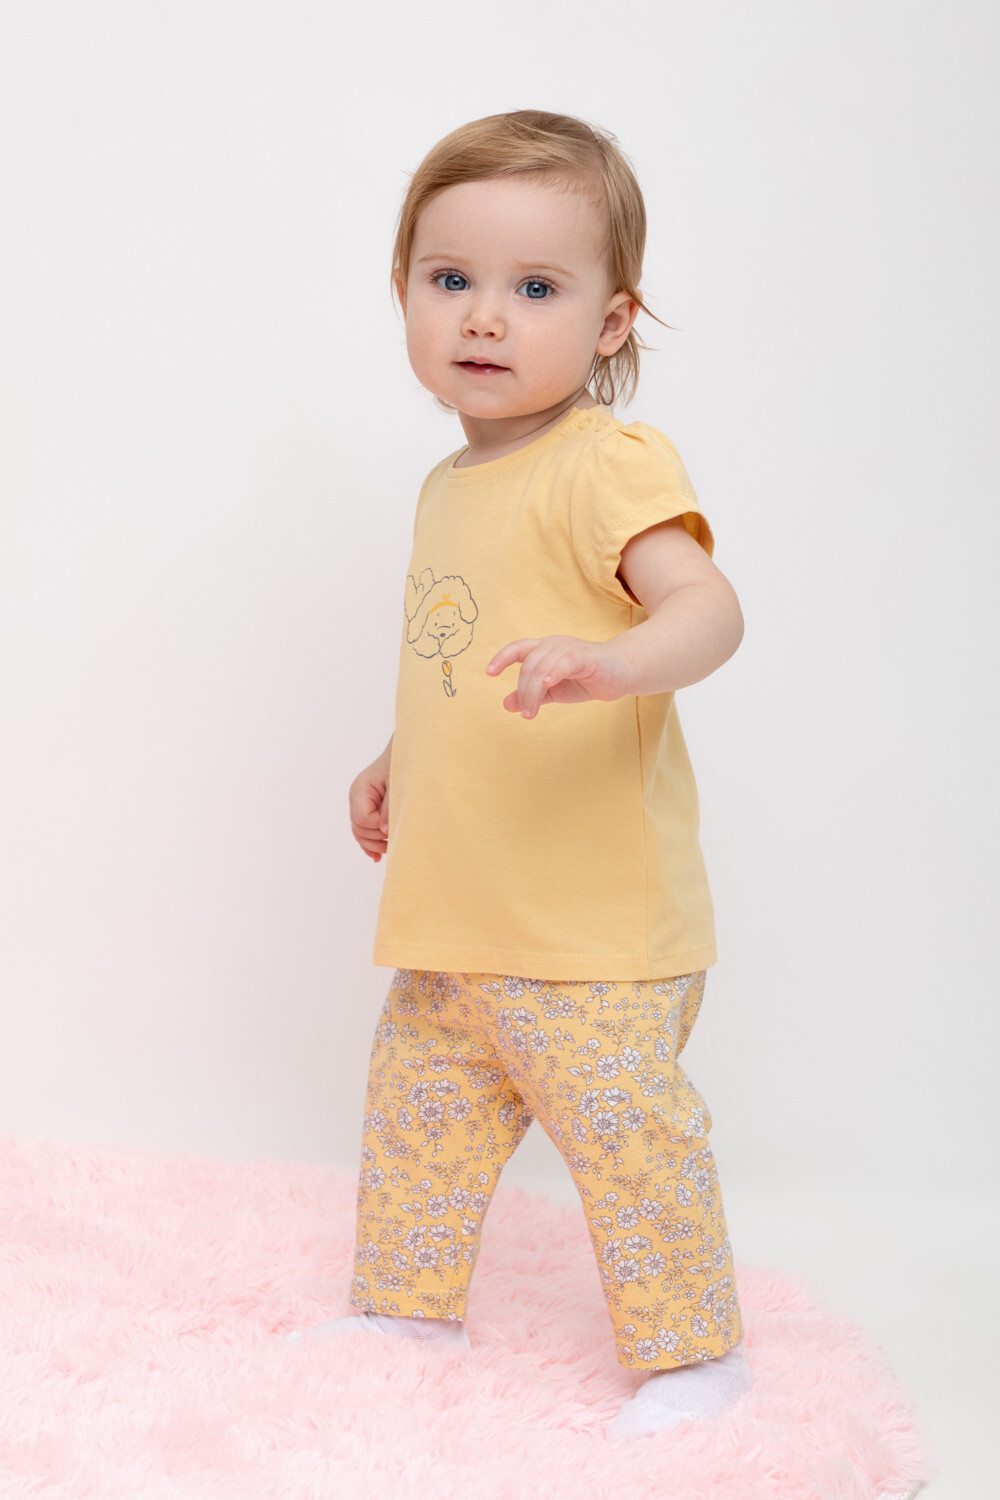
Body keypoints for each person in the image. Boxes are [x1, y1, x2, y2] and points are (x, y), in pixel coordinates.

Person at [288, 109, 753, 1441]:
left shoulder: (606, 462)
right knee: (418, 1119)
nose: (486, 317)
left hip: (590, 930)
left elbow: (709, 609)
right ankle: (406, 1311)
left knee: (628, 1138)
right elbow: (460, 668)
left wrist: (619, 662)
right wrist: (399, 759)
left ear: (613, 323)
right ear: (404, 293)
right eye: (452, 279)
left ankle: (697, 1355)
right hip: (461, 916)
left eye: (537, 289)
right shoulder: (450, 483)